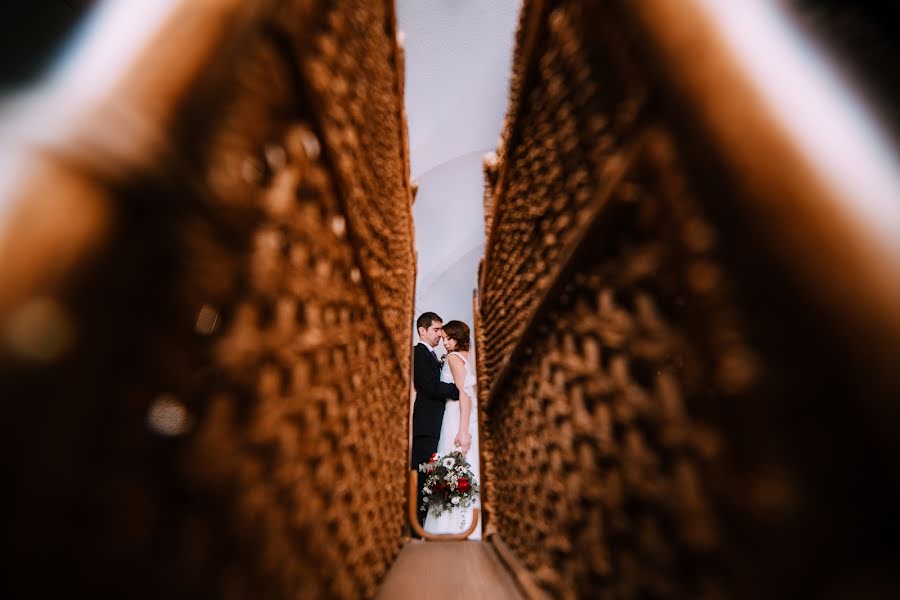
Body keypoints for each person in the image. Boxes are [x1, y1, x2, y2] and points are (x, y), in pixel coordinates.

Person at [423, 320, 481, 539]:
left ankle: (453, 526)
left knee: (454, 462)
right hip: (466, 416)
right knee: (467, 466)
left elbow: (464, 394)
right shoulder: (469, 357)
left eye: (449, 338)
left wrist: (463, 430)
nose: (445, 343)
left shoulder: (454, 358)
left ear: (458, 337)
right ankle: (471, 523)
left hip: (457, 417)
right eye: (443, 338)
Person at [411, 312, 459, 530]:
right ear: (422, 330)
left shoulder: (433, 355)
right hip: (426, 425)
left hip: (436, 424)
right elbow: (428, 385)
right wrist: (457, 389)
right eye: (436, 330)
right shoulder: (418, 352)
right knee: (422, 473)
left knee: (431, 474)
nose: (440, 334)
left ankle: (425, 523)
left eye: (441, 330)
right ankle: (415, 526)